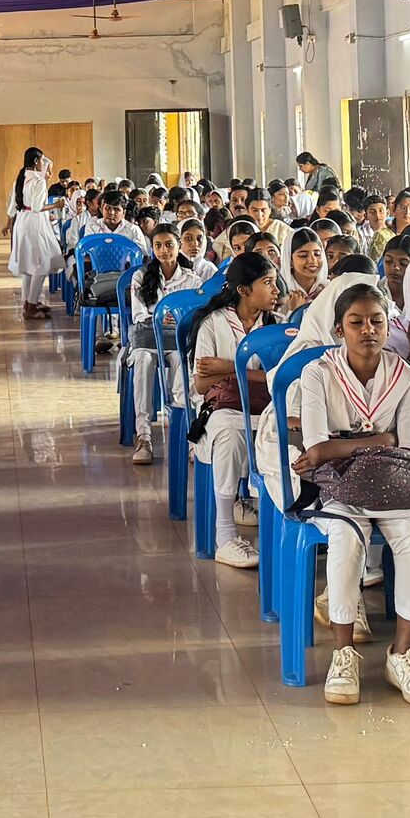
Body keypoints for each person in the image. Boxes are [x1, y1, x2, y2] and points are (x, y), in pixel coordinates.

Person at [285, 284, 410, 705]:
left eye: (377, 321)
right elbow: (315, 445)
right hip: (338, 484)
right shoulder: (318, 373)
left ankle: (403, 654)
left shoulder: (403, 374)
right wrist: (380, 439)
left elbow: (409, 446)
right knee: (346, 537)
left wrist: (342, 445)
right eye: (356, 322)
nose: (368, 330)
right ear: (340, 329)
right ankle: (343, 653)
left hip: (393, 482)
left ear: (389, 327)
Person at [187, 251, 283, 571]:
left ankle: (283, 523)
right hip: (224, 410)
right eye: (267, 283)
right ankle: (225, 535)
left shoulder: (277, 325)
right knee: (229, 432)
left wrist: (229, 367)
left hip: (267, 410)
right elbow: (203, 384)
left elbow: (283, 379)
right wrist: (257, 375)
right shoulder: (214, 324)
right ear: (244, 290)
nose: (276, 290)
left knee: (291, 433)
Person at [125, 224, 205, 466]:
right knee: (143, 360)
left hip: (178, 339)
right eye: (158, 245)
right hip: (148, 337)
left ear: (179, 246)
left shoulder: (192, 279)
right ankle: (144, 436)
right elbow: (139, 315)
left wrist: (173, 320)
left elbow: (195, 316)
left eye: (169, 244)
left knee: (182, 364)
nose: (164, 250)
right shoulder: (141, 277)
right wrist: (162, 318)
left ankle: (188, 436)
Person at [8, 146, 61, 318]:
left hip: (22, 221)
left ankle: (28, 302)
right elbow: (38, 207)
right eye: (42, 161)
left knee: (28, 265)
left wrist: (8, 223)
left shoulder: (21, 178)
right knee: (41, 265)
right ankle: (31, 306)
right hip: (34, 224)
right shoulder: (39, 181)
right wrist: (56, 205)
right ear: (36, 161)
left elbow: (13, 206)